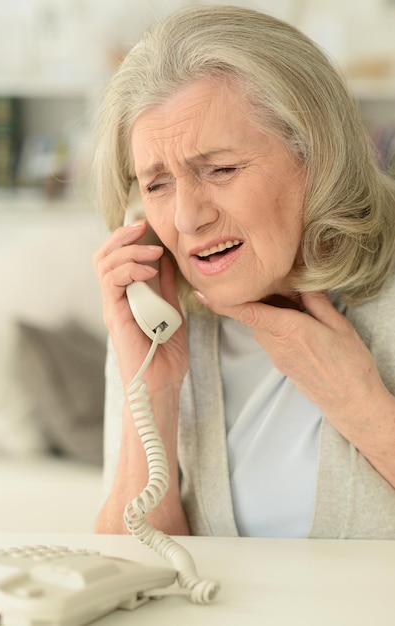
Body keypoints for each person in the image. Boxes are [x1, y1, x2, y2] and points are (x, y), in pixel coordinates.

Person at [92, 5, 395, 539]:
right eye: (157, 184)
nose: (187, 218)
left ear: (317, 156)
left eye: (222, 170)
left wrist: (362, 406)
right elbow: (127, 579)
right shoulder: (162, 318)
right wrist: (153, 396)